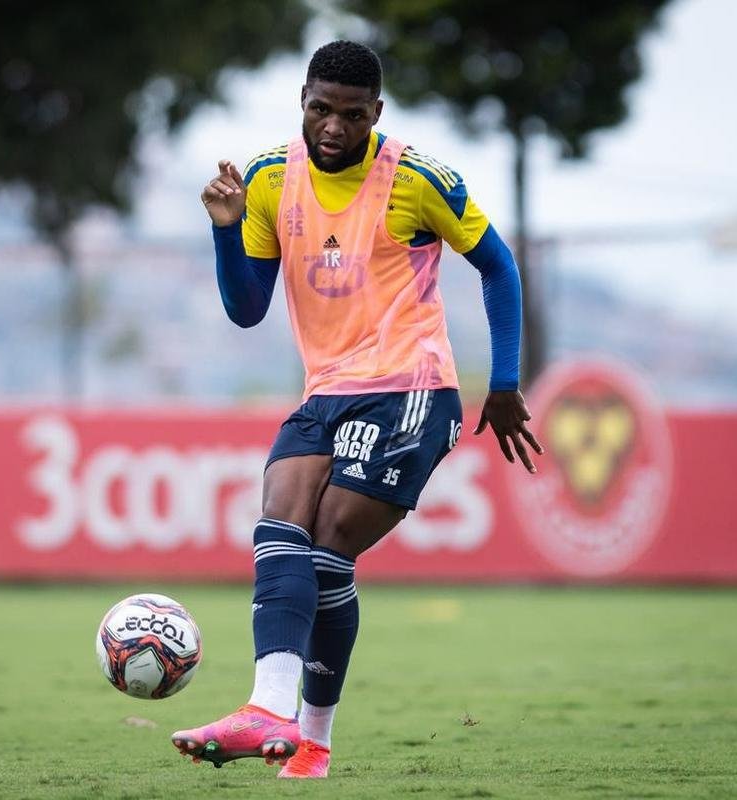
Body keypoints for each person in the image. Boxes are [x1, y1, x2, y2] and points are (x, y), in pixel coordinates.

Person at [171, 40, 543, 779]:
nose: (332, 127)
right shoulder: (270, 179)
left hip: (412, 387)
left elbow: (496, 264)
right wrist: (225, 226)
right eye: (319, 110)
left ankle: (288, 721)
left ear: (375, 113)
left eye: (349, 114)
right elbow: (246, 309)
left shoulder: (416, 179)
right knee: (281, 524)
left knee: (326, 542)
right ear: (301, 103)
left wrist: (502, 381)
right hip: (325, 392)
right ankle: (285, 726)